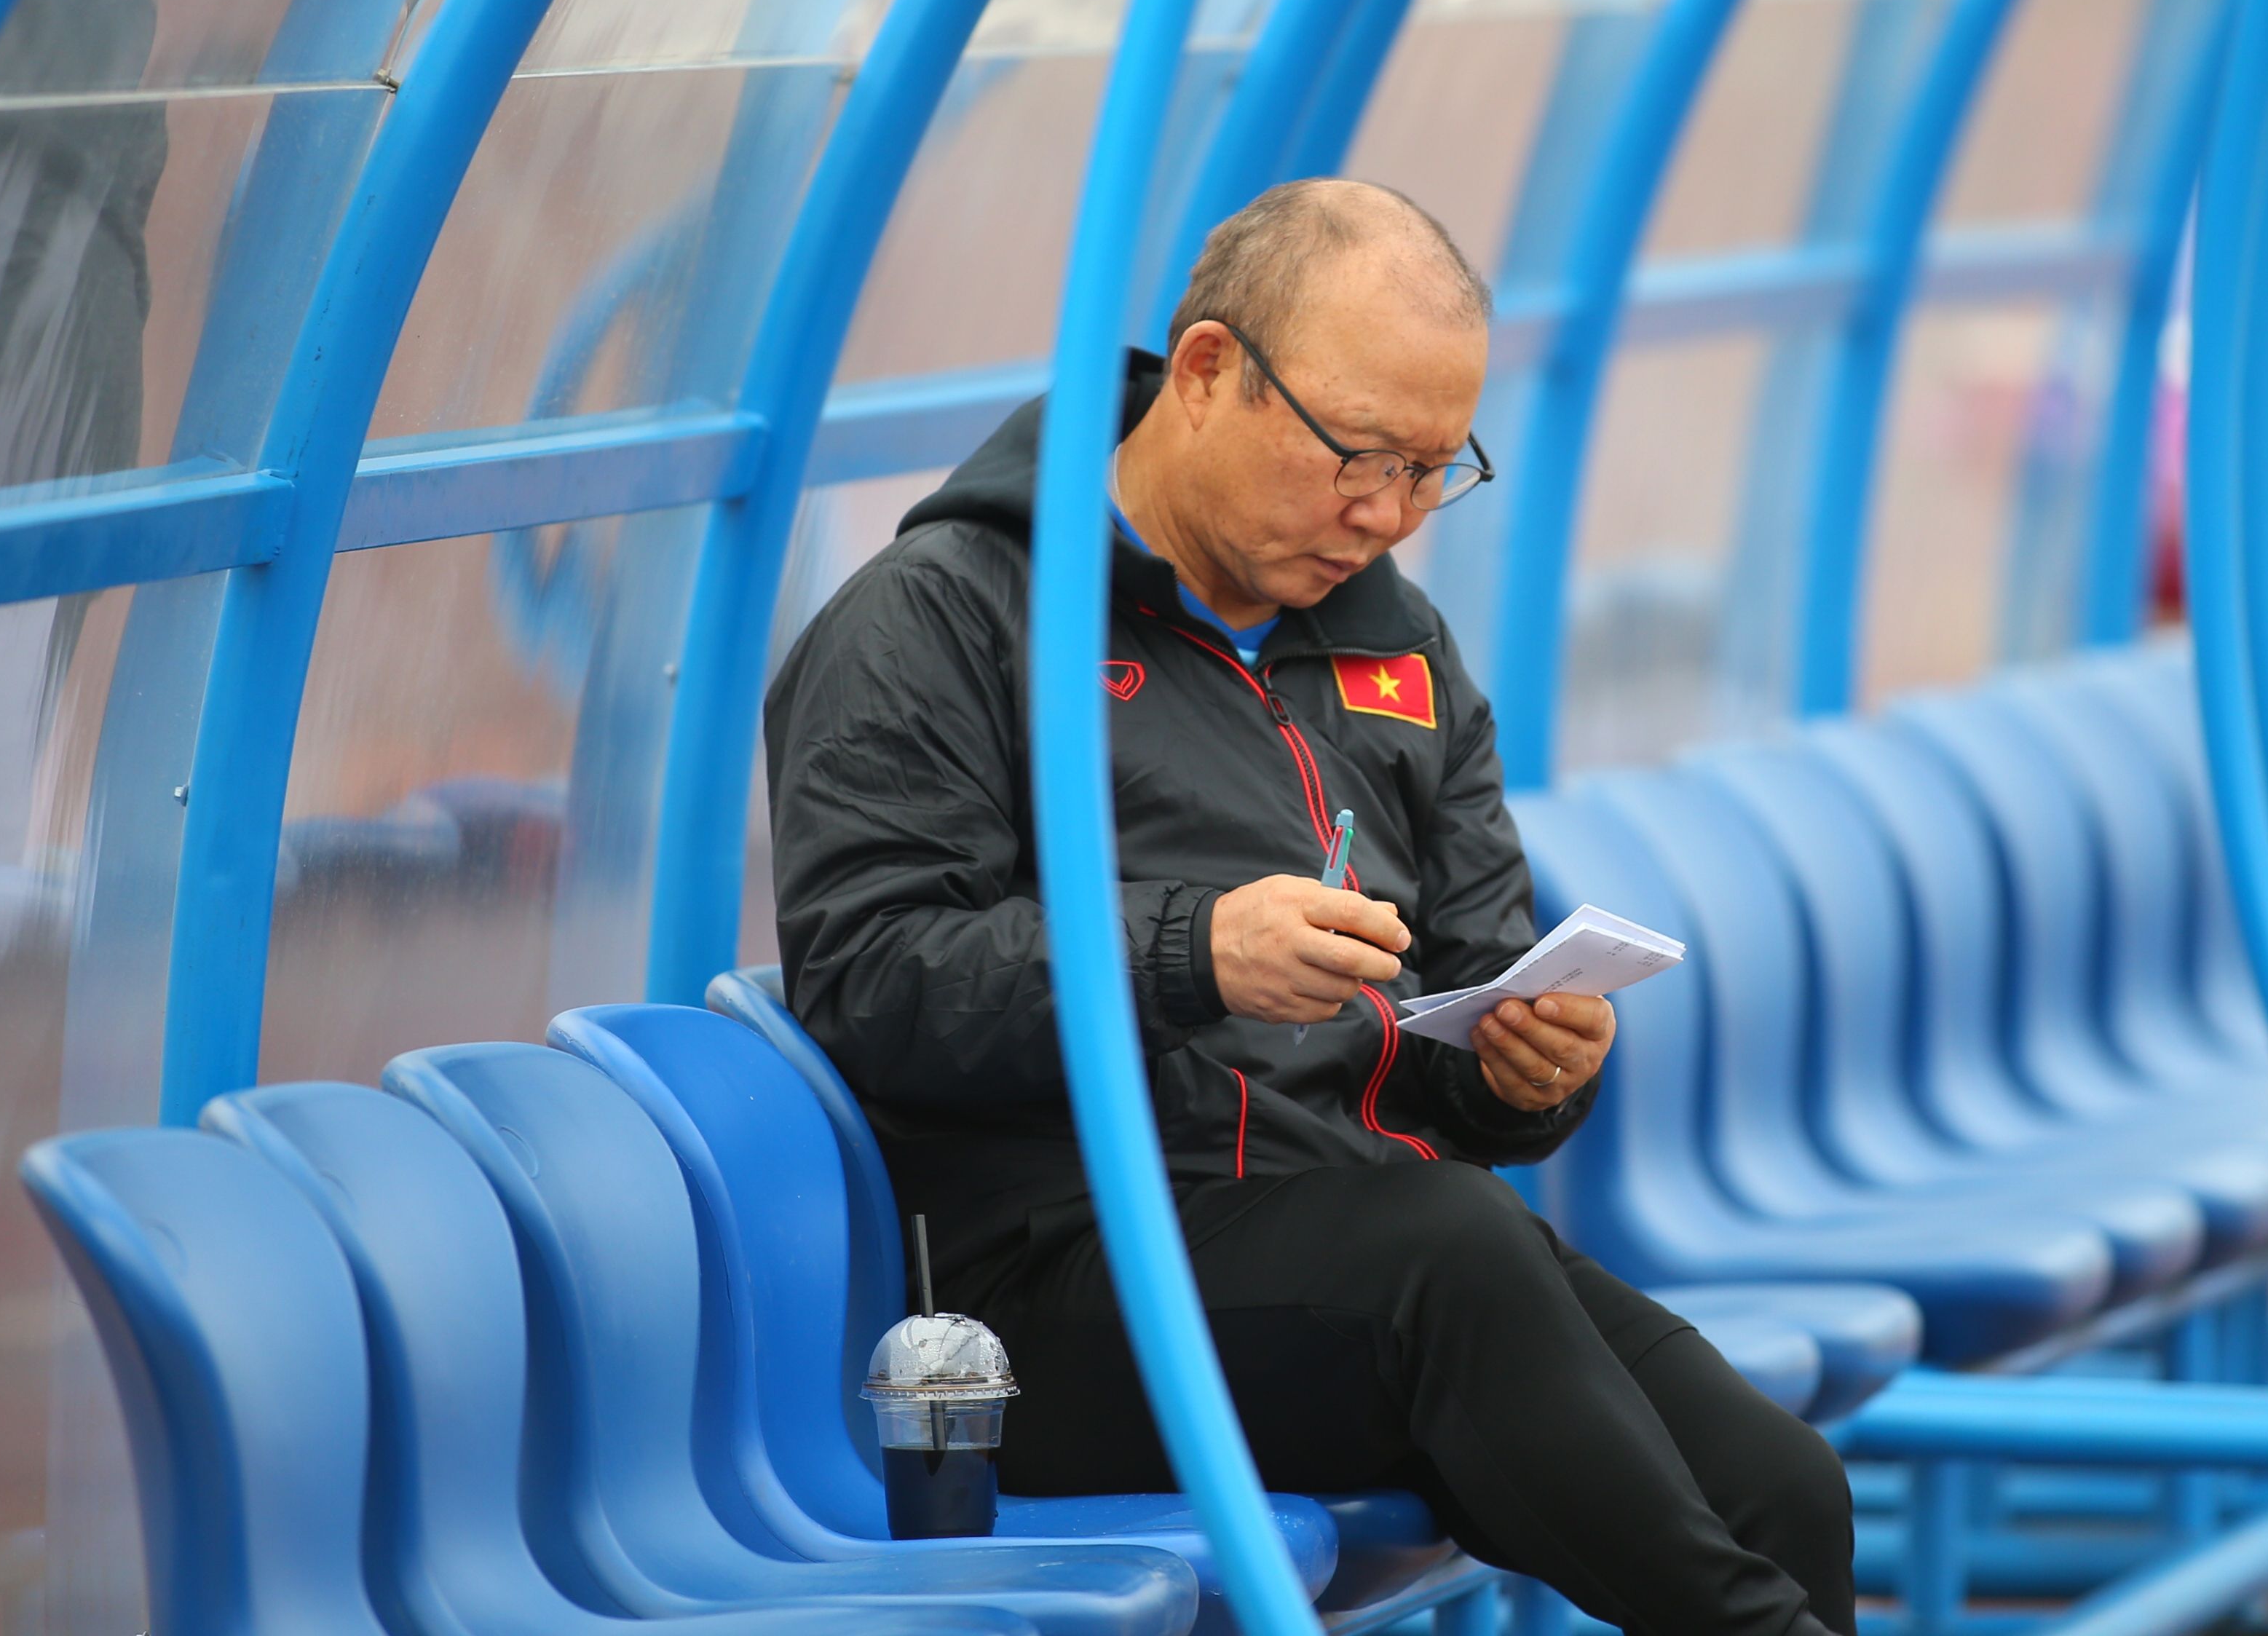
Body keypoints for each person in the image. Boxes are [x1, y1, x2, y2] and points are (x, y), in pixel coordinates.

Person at [766, 179, 1854, 1636]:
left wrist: (1526, 1066)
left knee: (1782, 1489)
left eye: (1429, 467)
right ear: (1207, 372)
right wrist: (1193, 950)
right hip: (1054, 1297)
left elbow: (1469, 977)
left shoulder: (1388, 643)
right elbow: (872, 985)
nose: (1383, 513)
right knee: (1450, 1259)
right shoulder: (945, 618)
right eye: (1354, 454)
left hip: (1362, 1260)